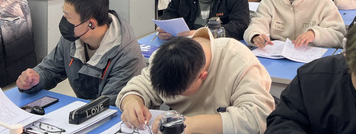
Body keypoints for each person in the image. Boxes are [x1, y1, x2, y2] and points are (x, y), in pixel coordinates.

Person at [117, 27, 275, 134]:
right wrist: (132, 101)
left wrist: (187, 125)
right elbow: (140, 86)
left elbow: (257, 118)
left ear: (202, 77)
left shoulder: (239, 61)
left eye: (180, 93)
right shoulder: (165, 58)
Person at [16, 0, 145, 105]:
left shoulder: (127, 55)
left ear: (91, 24)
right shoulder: (73, 37)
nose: (64, 21)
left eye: (68, 16)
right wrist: (35, 78)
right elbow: (50, 68)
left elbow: (108, 106)